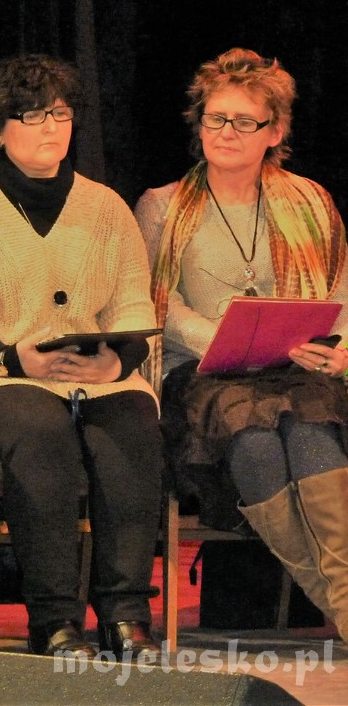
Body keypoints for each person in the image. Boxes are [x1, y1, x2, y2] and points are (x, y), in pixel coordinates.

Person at [0, 54, 164, 659]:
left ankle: (126, 615)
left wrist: (118, 363)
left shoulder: (106, 206)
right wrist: (11, 360)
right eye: (31, 116)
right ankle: (55, 621)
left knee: (134, 424)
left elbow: (133, 305)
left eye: (59, 114)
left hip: (91, 372)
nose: (50, 127)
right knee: (41, 432)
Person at [135, 47, 348, 642]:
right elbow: (153, 300)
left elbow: (340, 287)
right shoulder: (162, 206)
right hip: (205, 374)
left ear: (274, 132)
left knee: (311, 435)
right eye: (215, 118)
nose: (226, 132)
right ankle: (345, 603)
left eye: (243, 121)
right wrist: (223, 337)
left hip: (295, 369)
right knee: (254, 444)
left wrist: (339, 347)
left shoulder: (310, 200)